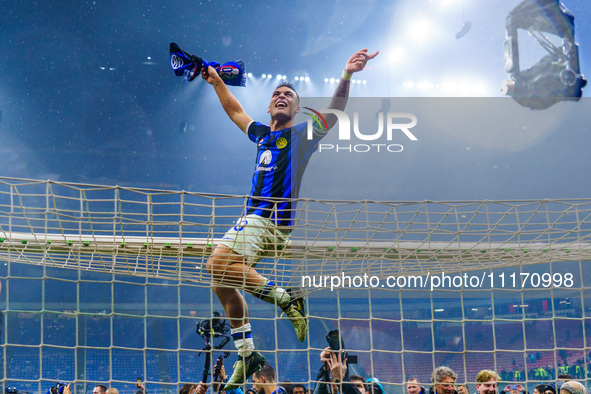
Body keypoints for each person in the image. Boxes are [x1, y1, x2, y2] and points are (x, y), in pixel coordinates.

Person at [200, 47, 378, 391]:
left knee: (215, 265)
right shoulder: (261, 135)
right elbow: (235, 110)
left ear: (296, 109)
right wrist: (217, 81)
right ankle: (247, 351)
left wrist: (347, 74)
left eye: (289, 96)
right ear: (269, 107)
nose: (281, 97)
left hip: (267, 218)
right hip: (256, 221)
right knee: (221, 283)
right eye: (276, 95)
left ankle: (286, 298)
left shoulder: (302, 136)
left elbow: (335, 109)